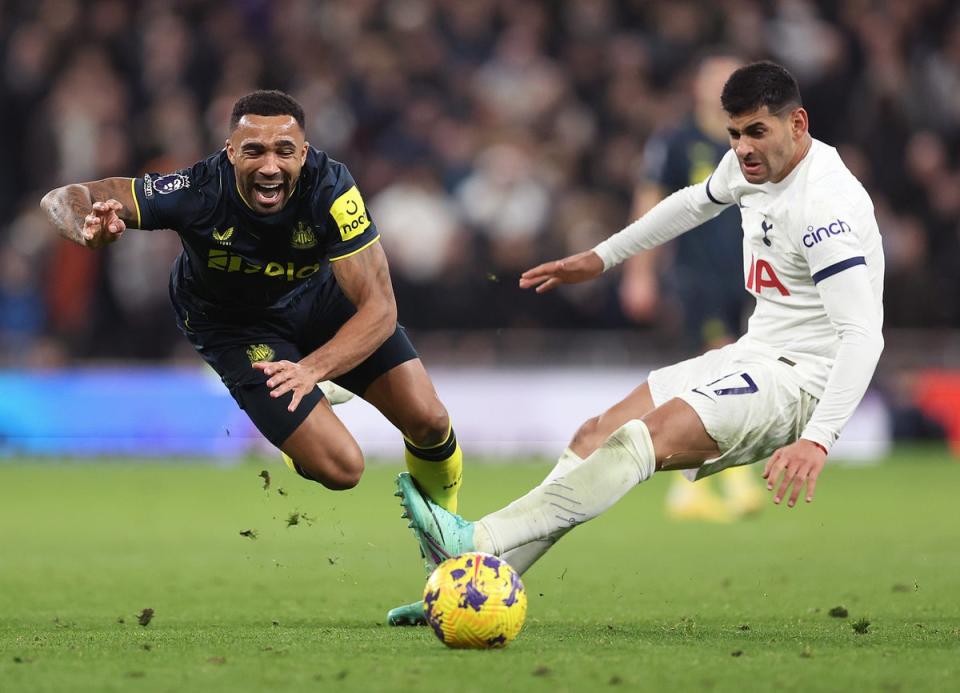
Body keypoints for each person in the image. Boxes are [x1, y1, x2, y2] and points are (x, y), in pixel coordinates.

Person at [396, 62, 884, 582]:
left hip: (801, 381)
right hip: (754, 352)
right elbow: (692, 203)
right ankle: (466, 582)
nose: (743, 148)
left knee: (641, 437)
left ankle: (478, 540)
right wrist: (602, 257)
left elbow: (863, 336)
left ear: (798, 124)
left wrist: (818, 437)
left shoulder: (822, 209)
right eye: (735, 134)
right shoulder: (750, 168)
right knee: (595, 435)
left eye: (756, 132)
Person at [40, 90, 463, 624]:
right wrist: (82, 225)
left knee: (429, 419)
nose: (270, 165)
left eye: (284, 150)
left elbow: (379, 309)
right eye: (254, 151)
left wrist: (312, 369)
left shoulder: (332, 186)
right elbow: (64, 196)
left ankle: (448, 556)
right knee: (342, 468)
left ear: (304, 153)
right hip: (236, 328)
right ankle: (299, 443)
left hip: (319, 303)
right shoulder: (196, 188)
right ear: (229, 152)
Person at [621, 52, 764, 523]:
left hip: (752, 275)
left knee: (729, 373)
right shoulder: (677, 140)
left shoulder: (759, 140)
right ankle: (734, 481)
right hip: (696, 273)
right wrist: (639, 272)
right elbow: (651, 202)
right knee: (722, 364)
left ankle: (688, 490)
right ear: (699, 88)